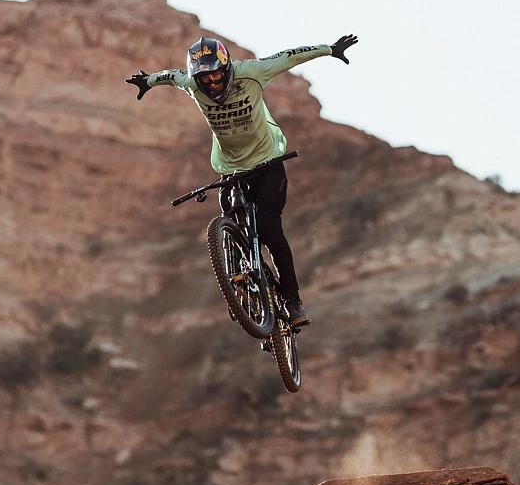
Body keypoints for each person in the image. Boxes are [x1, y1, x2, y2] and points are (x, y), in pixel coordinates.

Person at [127, 34, 359, 327]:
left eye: (216, 76)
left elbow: (289, 56)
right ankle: (242, 286)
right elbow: (170, 76)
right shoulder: (190, 83)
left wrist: (330, 49)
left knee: (269, 228)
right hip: (231, 168)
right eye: (204, 80)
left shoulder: (252, 72)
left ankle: (292, 300)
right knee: (230, 215)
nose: (211, 84)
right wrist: (147, 82)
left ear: (226, 69)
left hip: (269, 162)